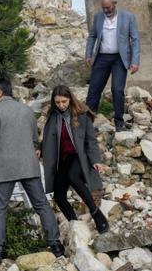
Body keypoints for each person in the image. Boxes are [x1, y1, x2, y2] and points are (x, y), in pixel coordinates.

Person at [0, 78, 64, 265]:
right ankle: (56, 245)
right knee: (41, 204)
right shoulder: (26, 110)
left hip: (4, 167)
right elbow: (34, 137)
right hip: (28, 164)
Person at [40, 85, 109, 233]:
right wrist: (40, 149)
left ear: (70, 99)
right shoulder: (53, 117)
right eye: (57, 102)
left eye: (64, 101)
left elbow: (91, 141)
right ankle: (75, 225)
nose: (61, 105)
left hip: (78, 155)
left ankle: (97, 215)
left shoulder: (81, 115)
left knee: (73, 176)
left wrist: (96, 160)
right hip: (63, 159)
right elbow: (47, 138)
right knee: (58, 196)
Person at [85, 0, 140, 131]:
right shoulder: (98, 17)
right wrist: (88, 54)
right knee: (94, 89)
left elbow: (135, 40)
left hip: (119, 59)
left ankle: (119, 122)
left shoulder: (128, 17)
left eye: (108, 7)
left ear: (115, 4)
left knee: (117, 89)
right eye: (103, 8)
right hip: (101, 58)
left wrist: (135, 61)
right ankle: (87, 121)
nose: (105, 10)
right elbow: (92, 36)